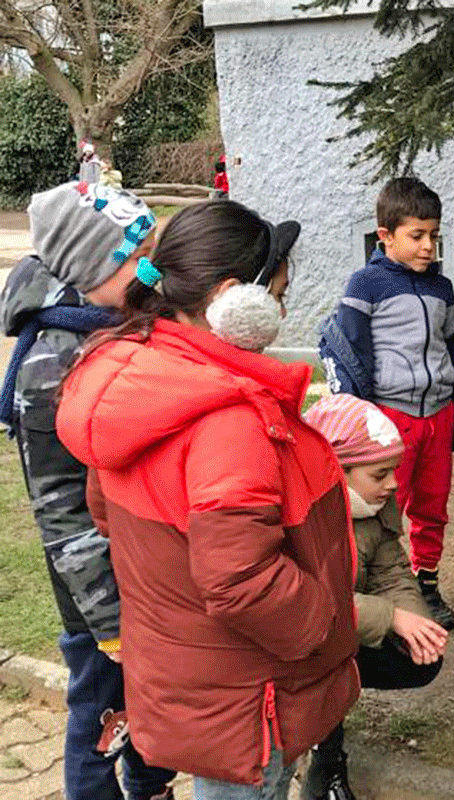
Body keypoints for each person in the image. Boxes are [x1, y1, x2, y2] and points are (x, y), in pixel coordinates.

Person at [55, 200, 359, 800]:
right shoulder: (226, 417)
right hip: (248, 699)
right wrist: (323, 616)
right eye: (276, 292)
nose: (282, 308)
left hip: (192, 675)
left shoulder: (140, 377)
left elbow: (104, 510)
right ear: (228, 296)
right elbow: (238, 579)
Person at [0, 182, 176, 800]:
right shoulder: (52, 365)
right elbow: (60, 514)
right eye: (136, 257)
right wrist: (110, 620)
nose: (151, 269)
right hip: (101, 598)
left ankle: (152, 788)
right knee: (104, 720)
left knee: (156, 713)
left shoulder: (116, 323)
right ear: (87, 268)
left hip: (146, 572)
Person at [319, 176, 454, 631]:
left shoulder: (441, 287)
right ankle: (373, 589)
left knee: (432, 504)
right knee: (386, 507)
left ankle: (426, 584)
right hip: (392, 417)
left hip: (438, 413)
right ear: (385, 235)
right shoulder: (366, 284)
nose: (428, 246)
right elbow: (349, 346)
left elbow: (448, 343)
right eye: (417, 235)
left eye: (434, 235)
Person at [300, 393, 448, 800]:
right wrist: (390, 618)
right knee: (323, 661)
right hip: (293, 641)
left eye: (394, 471)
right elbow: (303, 607)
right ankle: (326, 762)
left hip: (342, 624)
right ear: (336, 470)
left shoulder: (372, 504)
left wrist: (414, 622)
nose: (394, 483)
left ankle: (321, 716)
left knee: (419, 659)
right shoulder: (299, 517)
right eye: (380, 473)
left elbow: (391, 568)